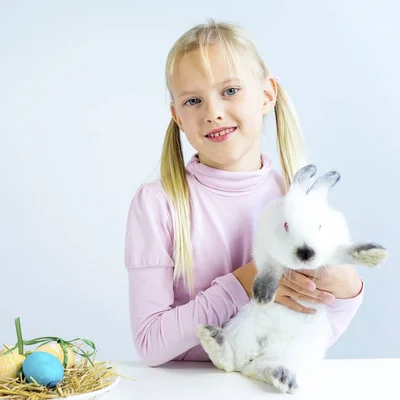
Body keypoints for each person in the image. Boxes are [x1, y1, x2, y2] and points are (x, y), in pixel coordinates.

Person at [124, 19, 364, 367]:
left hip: (262, 383)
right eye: (193, 100)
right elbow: (151, 343)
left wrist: (347, 291)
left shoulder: (293, 200)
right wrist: (243, 282)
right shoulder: (158, 204)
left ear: (267, 95)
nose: (213, 112)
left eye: (230, 91)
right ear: (177, 116)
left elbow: (315, 331)